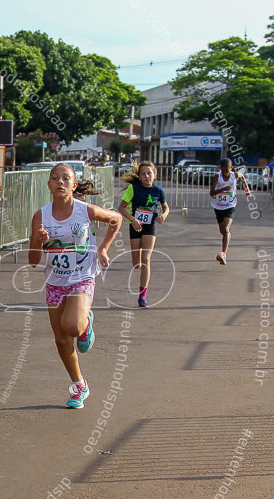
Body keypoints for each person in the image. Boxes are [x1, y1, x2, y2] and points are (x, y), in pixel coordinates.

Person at [28, 164, 122, 409]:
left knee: (71, 326)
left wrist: (102, 248)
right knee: (61, 341)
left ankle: (85, 323)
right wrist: (38, 242)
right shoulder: (41, 216)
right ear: (48, 185)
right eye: (55, 178)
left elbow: (117, 218)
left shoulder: (85, 211)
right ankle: (79, 385)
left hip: (82, 276)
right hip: (55, 281)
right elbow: (33, 261)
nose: (60, 182)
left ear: (74, 185)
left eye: (66, 178)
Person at [116, 161, 169, 308]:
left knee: (146, 259)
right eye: (143, 174)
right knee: (137, 264)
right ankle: (141, 286)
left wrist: (163, 215)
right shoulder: (134, 188)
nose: (147, 176)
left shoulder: (158, 191)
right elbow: (121, 208)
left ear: (155, 174)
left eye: (149, 173)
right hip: (135, 226)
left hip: (149, 226)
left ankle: (142, 296)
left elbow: (166, 208)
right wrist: (132, 219)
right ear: (139, 177)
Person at [209, 158, 252, 265]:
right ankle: (226, 237)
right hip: (218, 206)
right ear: (220, 169)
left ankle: (223, 254)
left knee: (226, 229)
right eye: (223, 171)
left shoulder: (235, 175)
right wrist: (224, 189)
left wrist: (247, 190)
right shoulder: (217, 177)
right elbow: (212, 193)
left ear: (231, 169)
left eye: (227, 171)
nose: (225, 174)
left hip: (230, 205)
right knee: (222, 232)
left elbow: (243, 178)